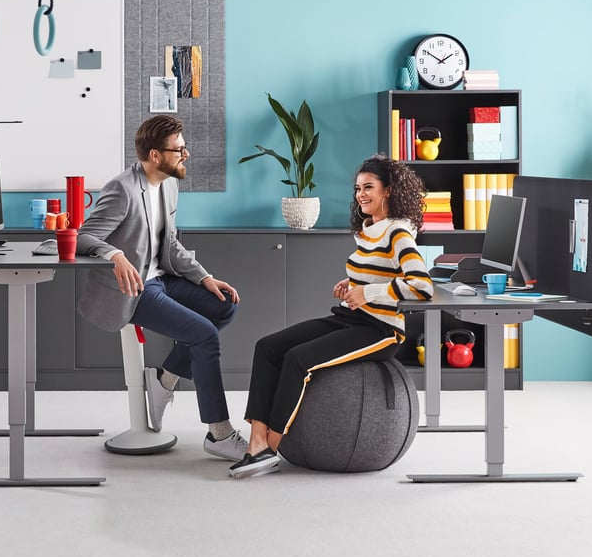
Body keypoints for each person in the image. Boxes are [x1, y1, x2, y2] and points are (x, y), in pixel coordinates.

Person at [229, 154, 433, 479]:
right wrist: (354, 283)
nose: (361, 195)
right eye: (357, 189)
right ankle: (257, 443)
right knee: (267, 346)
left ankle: (271, 445)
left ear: (389, 190)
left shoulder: (398, 233)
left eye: (369, 187)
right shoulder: (370, 230)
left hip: (381, 330)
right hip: (352, 318)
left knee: (298, 360)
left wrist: (367, 293)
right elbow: (379, 272)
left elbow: (421, 286)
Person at [76, 114, 248, 462]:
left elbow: (169, 243)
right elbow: (83, 235)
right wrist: (114, 254)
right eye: (179, 150)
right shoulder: (122, 189)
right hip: (135, 288)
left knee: (224, 306)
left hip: (162, 279)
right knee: (203, 335)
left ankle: (165, 380)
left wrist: (204, 277)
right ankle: (219, 433)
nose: (187, 156)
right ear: (155, 155)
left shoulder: (169, 183)